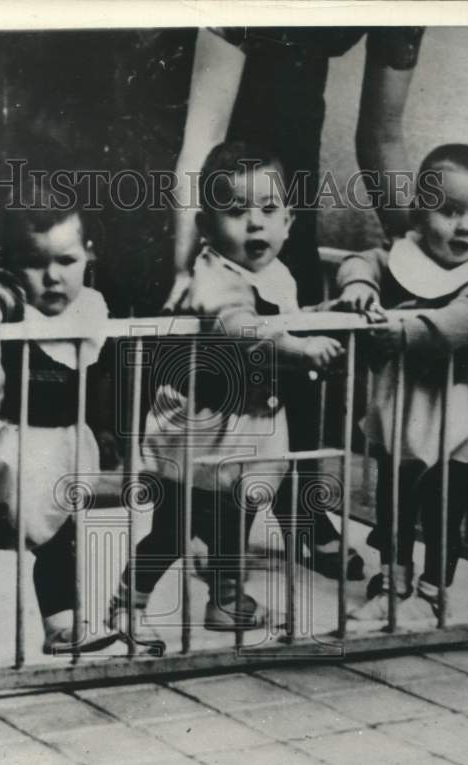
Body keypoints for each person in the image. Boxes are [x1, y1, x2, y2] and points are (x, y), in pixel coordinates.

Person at [162, 27, 425, 582]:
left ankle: (297, 508)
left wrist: (421, 256)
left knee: (294, 327)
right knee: (211, 342)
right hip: (198, 154)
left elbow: (383, 137)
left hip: (289, 152)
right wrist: (185, 263)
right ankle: (196, 518)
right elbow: (201, 137)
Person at [107, 142, 346, 645]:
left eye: (268, 210)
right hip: (205, 424)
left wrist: (332, 313)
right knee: (175, 524)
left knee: (240, 512)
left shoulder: (278, 275)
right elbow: (240, 325)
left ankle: (225, 596)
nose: (254, 224)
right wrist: (298, 347)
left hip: (253, 420)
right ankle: (130, 599)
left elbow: (287, 320)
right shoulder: (213, 274)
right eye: (236, 211)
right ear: (206, 225)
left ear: (289, 221)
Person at [0, 193, 121, 670]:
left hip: (59, 441)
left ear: (89, 256)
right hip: (5, 444)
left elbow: (96, 372)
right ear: (10, 264)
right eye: (35, 263)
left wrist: (104, 427)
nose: (53, 276)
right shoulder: (12, 298)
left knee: (61, 538)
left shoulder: (93, 306)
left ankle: (61, 625)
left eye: (67, 260)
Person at [334, 144, 468, 619]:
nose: (464, 226)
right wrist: (360, 286)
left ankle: (435, 588)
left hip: (461, 410)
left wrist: (407, 330)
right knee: (395, 499)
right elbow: (359, 261)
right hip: (405, 402)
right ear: (418, 214)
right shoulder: (403, 258)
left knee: (445, 509)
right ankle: (393, 581)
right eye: (449, 211)